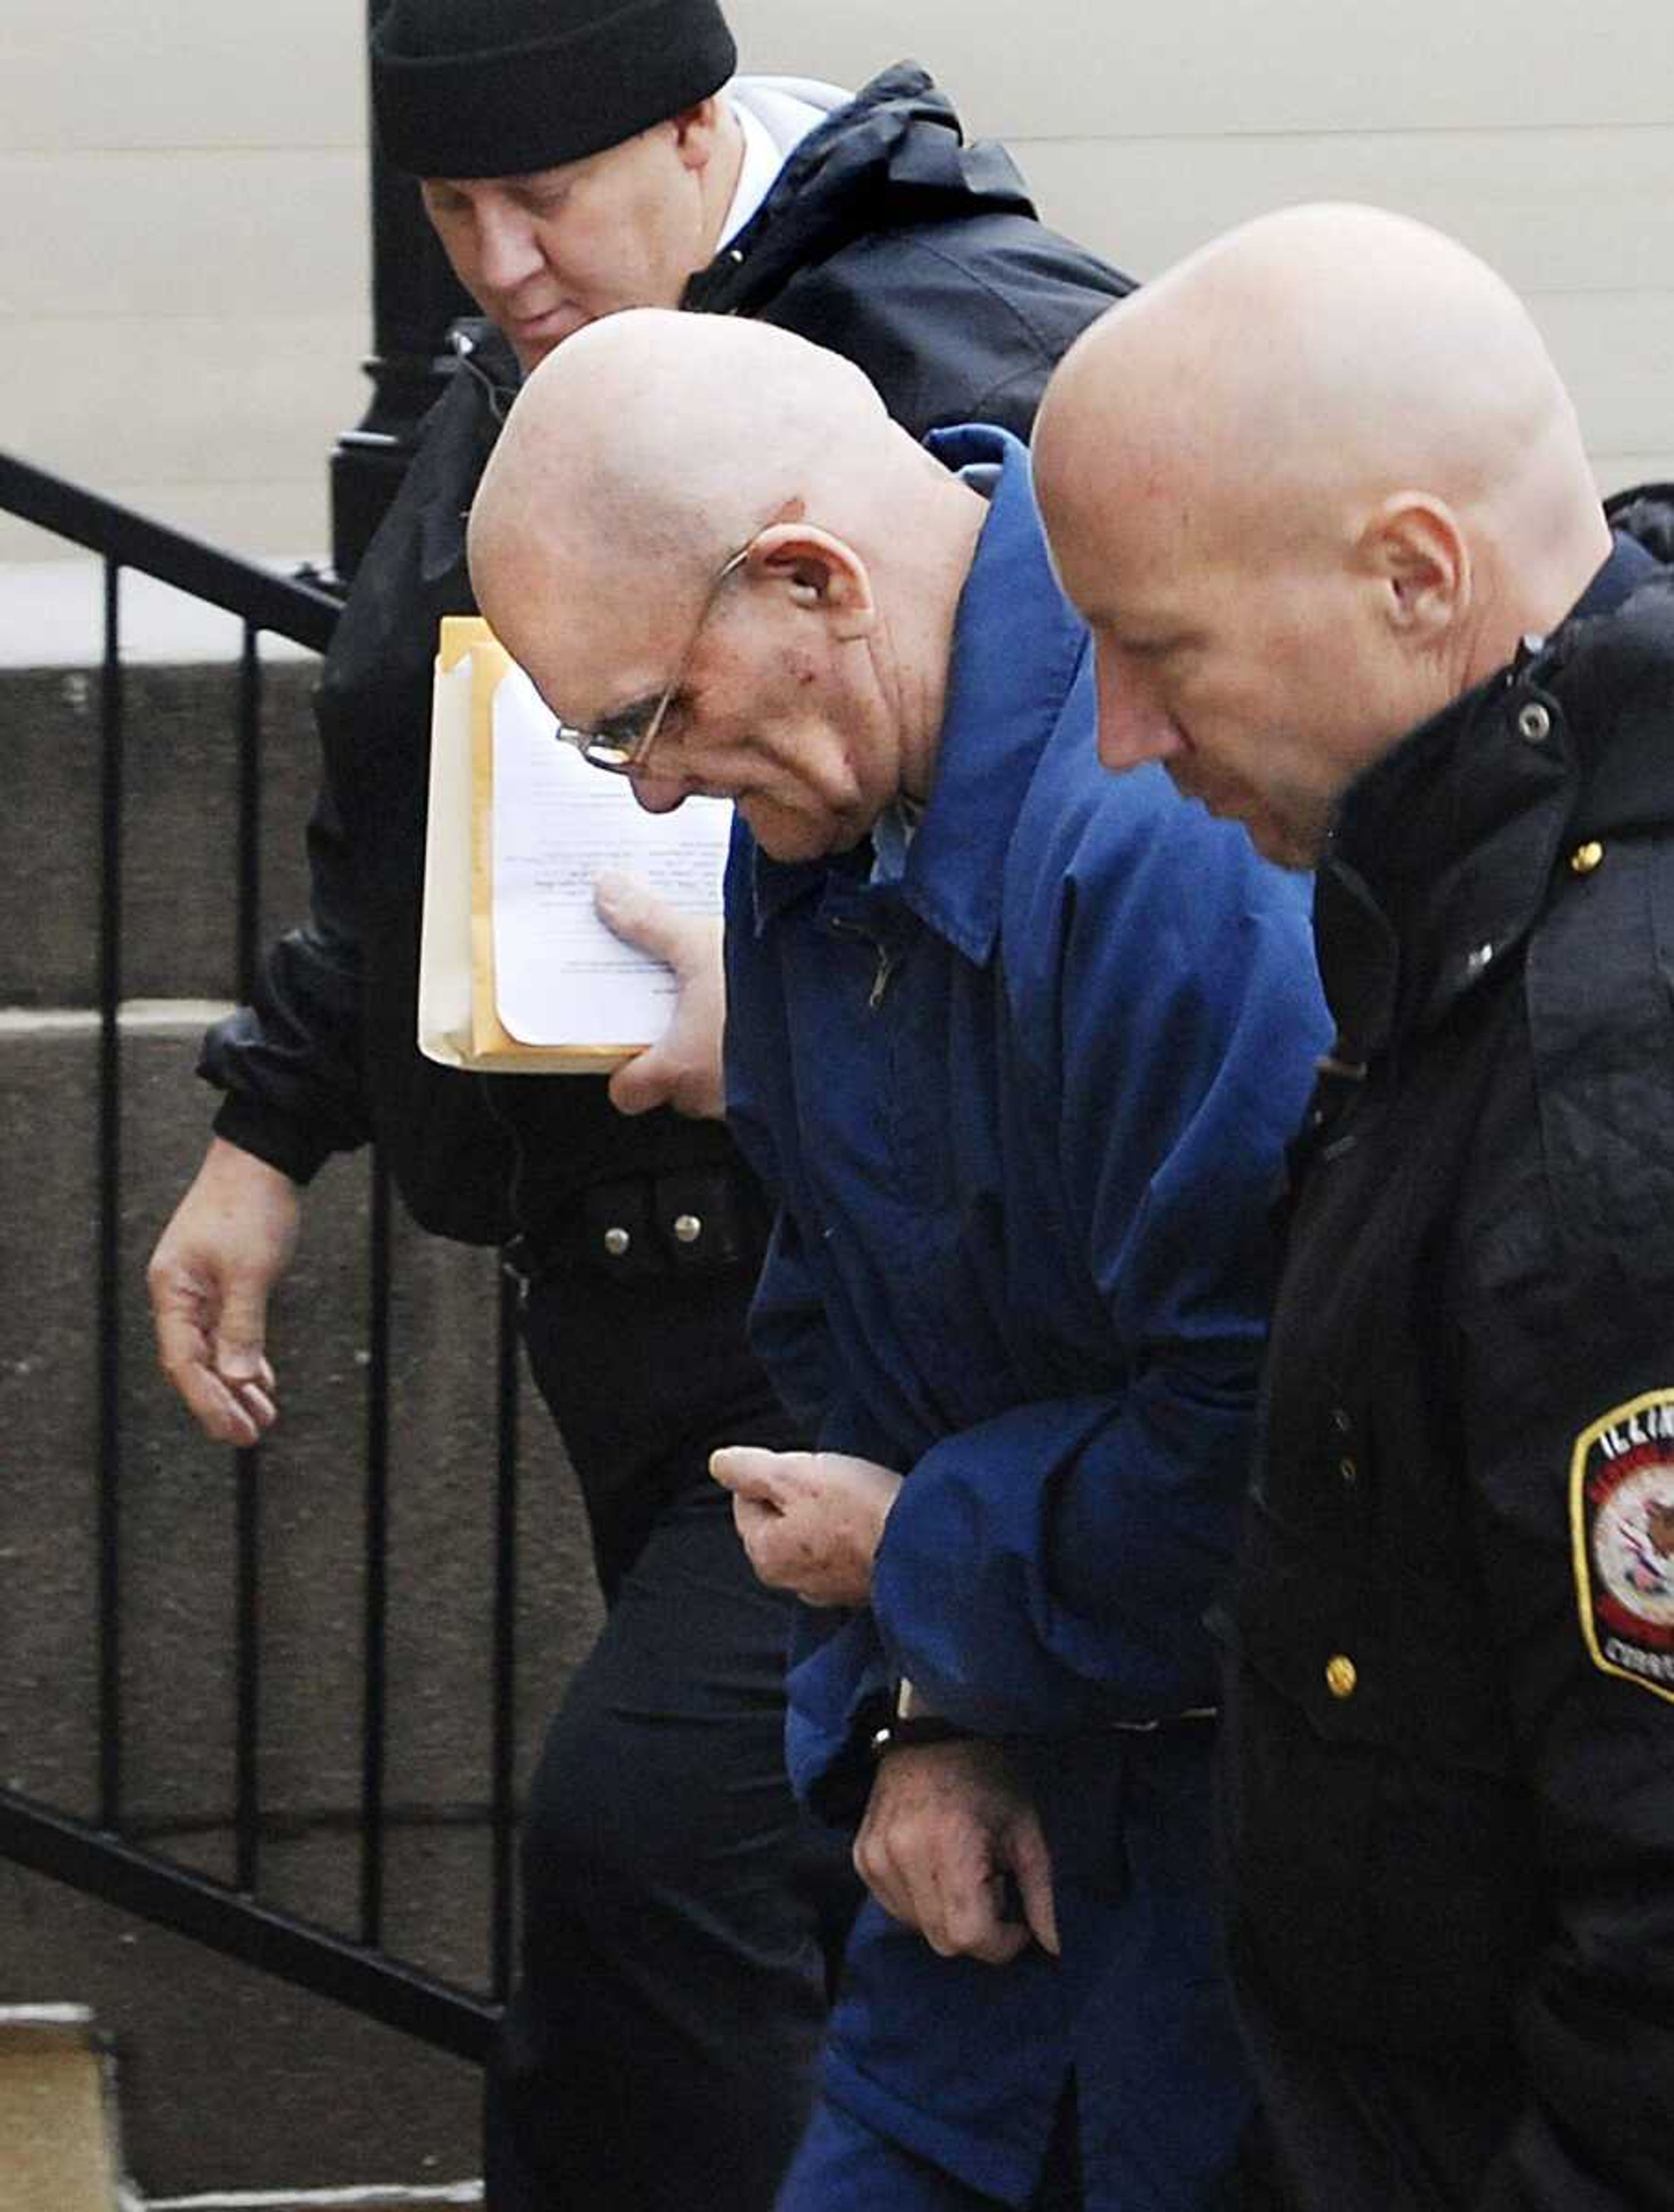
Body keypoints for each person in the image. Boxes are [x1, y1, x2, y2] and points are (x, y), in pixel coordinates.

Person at [143, 3, 1132, 2205]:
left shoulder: (965, 329)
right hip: (656, 1307)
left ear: (701, 136)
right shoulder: (550, 363)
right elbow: (402, 803)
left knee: (658, 1869)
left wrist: (799, 1018)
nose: (496, 261)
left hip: (892, 1297)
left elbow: (1199, 715)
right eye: (447, 215)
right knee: (840, 1909)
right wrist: (265, 1127)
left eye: (546, 198)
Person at [467, 308, 1329, 2212]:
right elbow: (830, 1331)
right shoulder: (834, 809)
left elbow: (1278, 1437)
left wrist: (915, 1555)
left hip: (1243, 1908)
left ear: (809, 579)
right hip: (1007, 1906)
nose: (656, 794)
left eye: (645, 716)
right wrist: (920, 1714)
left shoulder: (1159, 838)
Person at [1034, 201, 1674, 2209]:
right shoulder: (1488, 914)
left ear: (1416, 575)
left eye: (1160, 652)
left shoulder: (1609, 1077)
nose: (1124, 741)